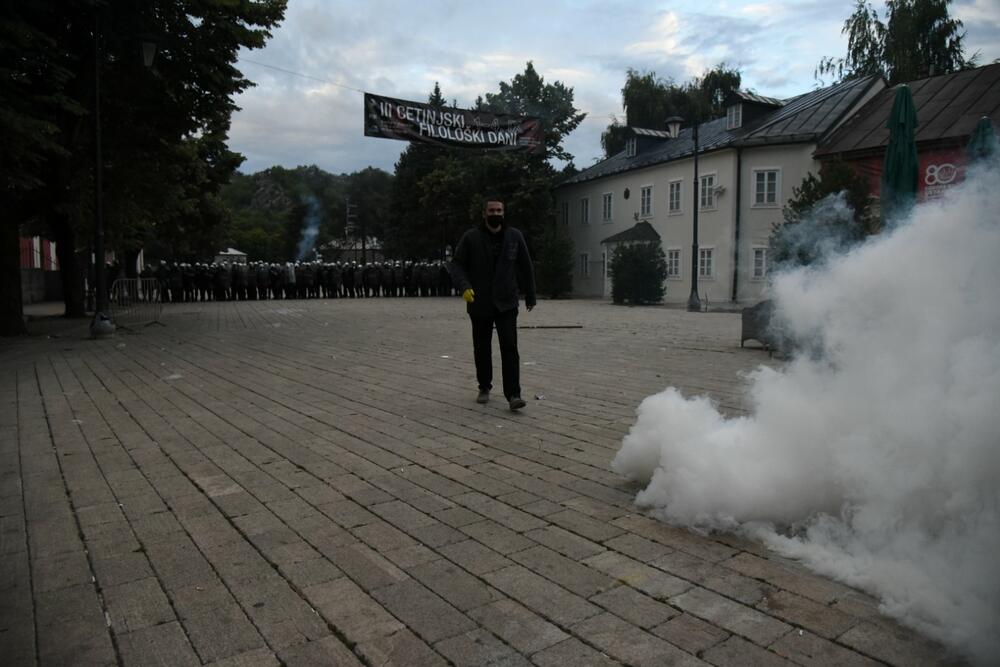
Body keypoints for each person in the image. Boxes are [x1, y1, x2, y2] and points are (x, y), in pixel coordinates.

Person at [449, 197, 536, 411]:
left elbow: (525, 265)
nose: (495, 213)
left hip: (507, 301)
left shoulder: (514, 236)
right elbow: (457, 265)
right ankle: (484, 386)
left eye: (499, 210)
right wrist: (464, 287)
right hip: (480, 301)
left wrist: (531, 294)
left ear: (503, 213)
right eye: (492, 210)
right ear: (484, 213)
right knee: (482, 346)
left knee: (510, 347)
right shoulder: (471, 237)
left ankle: (514, 394)